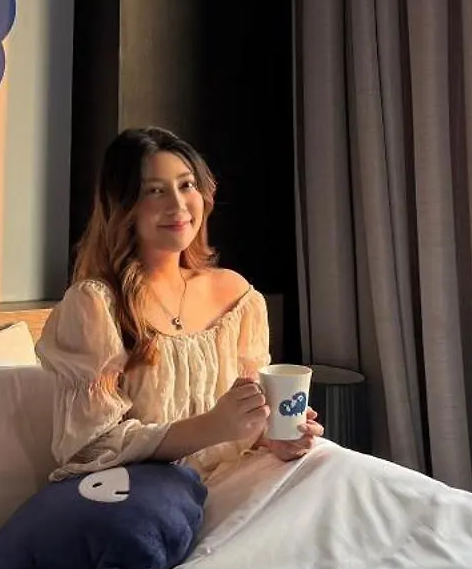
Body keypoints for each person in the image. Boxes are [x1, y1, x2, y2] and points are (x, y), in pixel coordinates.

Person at [36, 127, 325, 482]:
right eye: (155, 191)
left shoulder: (238, 297)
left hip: (242, 480)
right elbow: (89, 447)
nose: (178, 205)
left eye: (186, 185)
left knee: (350, 474)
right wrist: (211, 426)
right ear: (124, 206)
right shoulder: (95, 305)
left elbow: (249, 425)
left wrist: (276, 438)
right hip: (158, 496)